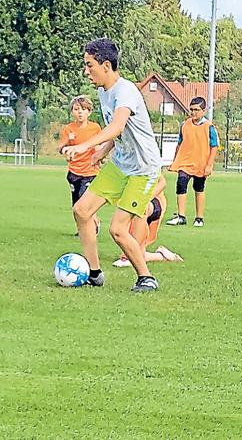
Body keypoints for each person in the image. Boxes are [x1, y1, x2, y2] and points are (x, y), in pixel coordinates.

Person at [62, 38, 163, 293]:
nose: (86, 71)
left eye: (90, 65)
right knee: (82, 211)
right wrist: (102, 152)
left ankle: (146, 278)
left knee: (117, 229)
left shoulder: (125, 91)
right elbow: (120, 134)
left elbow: (116, 126)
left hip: (142, 169)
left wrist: (85, 147)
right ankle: (93, 273)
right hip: (120, 164)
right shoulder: (102, 91)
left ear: (106, 65)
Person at [165, 96, 219, 227]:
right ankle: (181, 216)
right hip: (185, 162)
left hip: (201, 163)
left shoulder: (209, 127)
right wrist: (174, 161)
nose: (193, 112)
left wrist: (209, 165)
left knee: (198, 188)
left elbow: (214, 146)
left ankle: (199, 218)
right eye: (191, 109)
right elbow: (180, 143)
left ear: (203, 111)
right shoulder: (185, 125)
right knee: (181, 183)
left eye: (196, 110)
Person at [113, 174, 183, 267]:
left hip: (153, 201)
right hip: (132, 201)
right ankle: (162, 255)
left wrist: (145, 199)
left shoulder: (147, 162)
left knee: (141, 209)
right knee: (136, 253)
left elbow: (162, 183)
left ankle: (130, 258)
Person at [58, 95, 102, 235]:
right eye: (77, 109)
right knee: (76, 204)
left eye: (83, 109)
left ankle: (93, 225)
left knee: (85, 201)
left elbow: (100, 144)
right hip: (74, 172)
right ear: (72, 112)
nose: (80, 112)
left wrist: (99, 152)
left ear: (89, 112)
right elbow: (60, 148)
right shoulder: (68, 129)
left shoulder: (95, 128)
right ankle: (81, 229)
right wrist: (67, 144)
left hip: (90, 171)